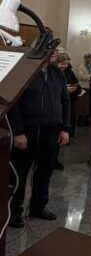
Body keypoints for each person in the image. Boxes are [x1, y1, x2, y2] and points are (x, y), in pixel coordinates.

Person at [7, 49, 70, 228]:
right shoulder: (24, 70)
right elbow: (14, 102)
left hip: (52, 130)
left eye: (55, 50)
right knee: (19, 173)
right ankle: (13, 211)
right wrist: (18, 132)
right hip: (28, 130)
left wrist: (65, 128)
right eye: (50, 49)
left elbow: (65, 100)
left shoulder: (57, 72)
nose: (54, 53)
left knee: (45, 171)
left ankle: (38, 206)